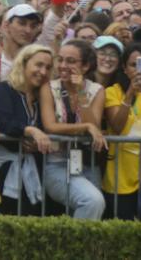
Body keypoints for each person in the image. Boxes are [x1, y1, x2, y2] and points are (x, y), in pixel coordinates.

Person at [38, 39, 107, 219]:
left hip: (87, 164)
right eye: (60, 60)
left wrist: (80, 92)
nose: (63, 66)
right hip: (57, 164)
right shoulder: (49, 88)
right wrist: (85, 126)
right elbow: (50, 126)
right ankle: (78, 248)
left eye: (70, 61)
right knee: (92, 201)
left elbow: (95, 125)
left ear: (85, 66)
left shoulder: (96, 90)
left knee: (91, 210)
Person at [0, 43, 55, 215]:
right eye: (38, 65)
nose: (43, 72)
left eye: (48, 67)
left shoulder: (43, 97)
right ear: (23, 63)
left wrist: (36, 144)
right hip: (2, 171)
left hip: (33, 171)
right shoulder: (2, 88)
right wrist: (30, 131)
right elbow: (3, 121)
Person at [102, 42, 141, 221]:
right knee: (123, 224)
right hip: (121, 171)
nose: (138, 70)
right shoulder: (113, 92)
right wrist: (130, 93)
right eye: (133, 65)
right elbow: (117, 126)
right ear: (124, 68)